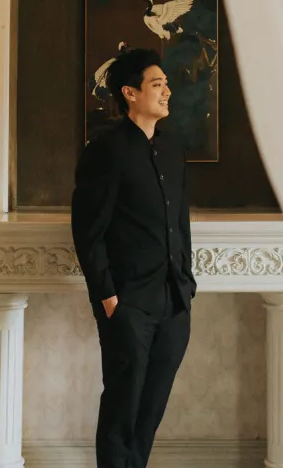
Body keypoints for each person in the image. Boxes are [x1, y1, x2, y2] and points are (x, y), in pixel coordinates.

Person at [71, 46, 196, 468]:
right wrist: (108, 298)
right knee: (122, 409)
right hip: (128, 304)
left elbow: (180, 223)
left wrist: (187, 285)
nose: (167, 91)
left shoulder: (173, 149)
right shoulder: (104, 150)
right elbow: (88, 231)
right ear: (130, 92)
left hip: (174, 301)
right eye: (157, 84)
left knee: (150, 411)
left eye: (166, 84)